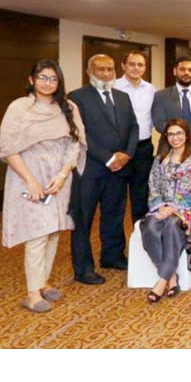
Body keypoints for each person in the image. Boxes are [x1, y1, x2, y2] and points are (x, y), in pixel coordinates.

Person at [0, 61, 87, 312]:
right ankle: (32, 293)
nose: (48, 83)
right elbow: (8, 148)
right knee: (37, 234)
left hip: (58, 179)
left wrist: (62, 174)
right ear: (31, 79)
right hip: (28, 177)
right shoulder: (19, 108)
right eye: (42, 77)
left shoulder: (68, 107)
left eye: (53, 79)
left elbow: (75, 143)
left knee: (53, 231)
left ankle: (43, 282)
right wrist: (31, 180)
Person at [68, 54, 139, 284]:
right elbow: (79, 133)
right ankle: (83, 268)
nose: (106, 73)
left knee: (114, 215)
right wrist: (108, 158)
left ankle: (113, 256)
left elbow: (133, 127)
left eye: (110, 69)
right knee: (83, 220)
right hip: (90, 169)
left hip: (119, 169)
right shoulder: (76, 98)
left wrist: (127, 154)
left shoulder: (122, 96)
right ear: (89, 71)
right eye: (100, 69)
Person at [141, 119, 191, 303]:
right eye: (170, 134)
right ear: (166, 137)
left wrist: (174, 208)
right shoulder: (160, 159)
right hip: (161, 208)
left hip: (188, 209)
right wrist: (161, 206)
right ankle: (171, 277)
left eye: (179, 133)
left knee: (172, 225)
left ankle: (162, 280)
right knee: (148, 227)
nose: (175, 138)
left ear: (186, 135)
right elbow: (153, 186)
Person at [113, 50, 156, 223]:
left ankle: (140, 243)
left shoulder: (151, 90)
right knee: (116, 199)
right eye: (132, 64)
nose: (136, 68)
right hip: (119, 149)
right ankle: (116, 249)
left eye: (140, 64)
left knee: (141, 198)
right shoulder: (113, 87)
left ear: (145, 68)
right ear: (123, 65)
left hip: (143, 149)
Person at [152, 56, 191, 153]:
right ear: (174, 71)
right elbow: (159, 122)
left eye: (190, 70)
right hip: (170, 149)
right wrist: (179, 137)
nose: (186, 73)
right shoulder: (161, 96)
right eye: (182, 69)